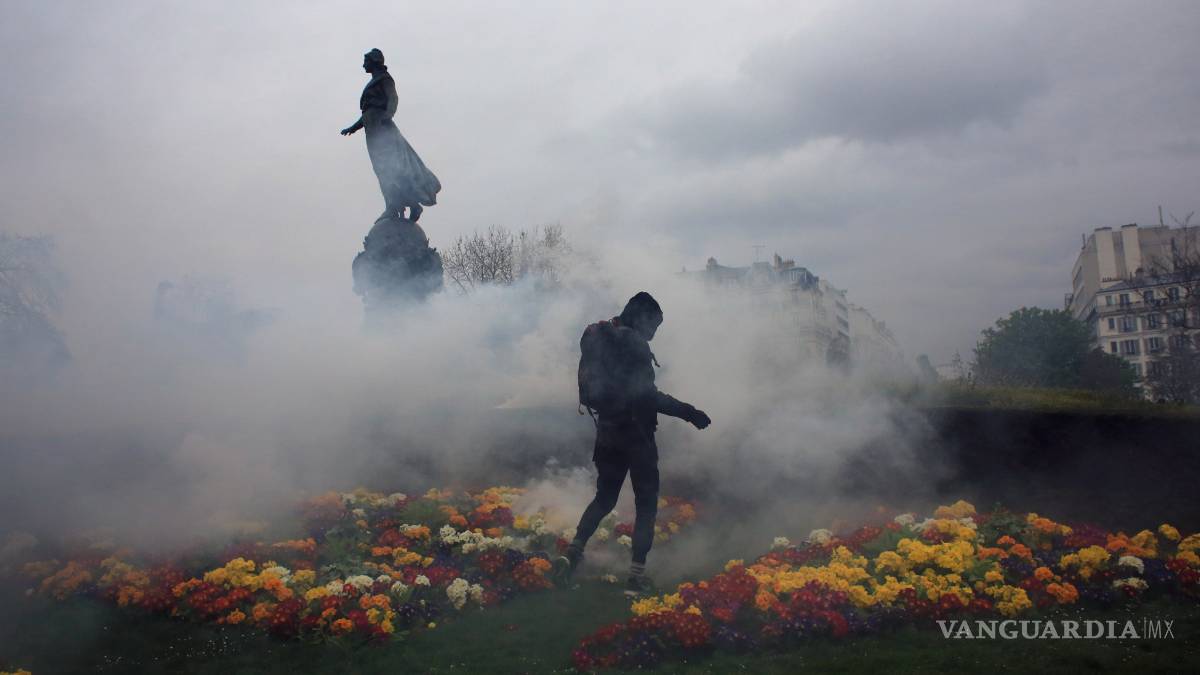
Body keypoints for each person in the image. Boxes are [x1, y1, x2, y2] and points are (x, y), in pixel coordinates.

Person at [556, 291, 711, 596]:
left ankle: (572, 554)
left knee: (604, 498)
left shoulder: (599, 336)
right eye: (654, 324)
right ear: (642, 318)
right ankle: (636, 578)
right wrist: (689, 413)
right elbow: (647, 395)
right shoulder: (634, 345)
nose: (655, 332)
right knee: (646, 504)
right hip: (636, 434)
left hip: (607, 431)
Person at [341, 48, 441, 223]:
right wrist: (353, 127)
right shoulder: (374, 81)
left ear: (373, 61)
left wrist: (387, 116)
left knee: (392, 168)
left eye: (365, 61)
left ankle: (396, 205)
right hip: (372, 129)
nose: (363, 64)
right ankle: (400, 204)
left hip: (382, 128)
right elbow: (367, 113)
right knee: (382, 169)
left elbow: (393, 98)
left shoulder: (384, 79)